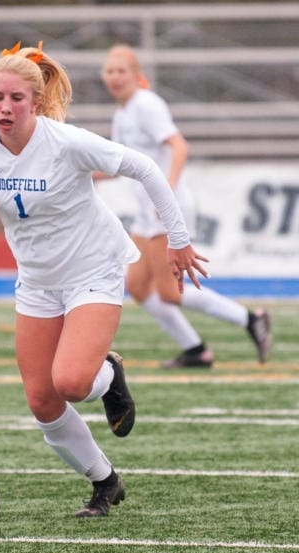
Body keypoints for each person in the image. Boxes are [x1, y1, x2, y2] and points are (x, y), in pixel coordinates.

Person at [0, 41, 209, 517]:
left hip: (91, 268)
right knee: (41, 401)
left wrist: (178, 239)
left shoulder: (65, 141)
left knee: (72, 382)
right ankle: (105, 482)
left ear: (35, 102)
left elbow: (146, 166)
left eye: (15, 98)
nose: (5, 107)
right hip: (36, 282)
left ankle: (109, 372)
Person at [99, 44, 272, 368]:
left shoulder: (146, 105)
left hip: (164, 208)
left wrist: (167, 192)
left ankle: (250, 319)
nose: (115, 77)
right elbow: (117, 166)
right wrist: (76, 173)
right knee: (136, 284)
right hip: (146, 212)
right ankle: (196, 349)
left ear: (137, 76)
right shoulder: (123, 113)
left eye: (121, 71)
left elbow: (179, 147)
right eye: (109, 71)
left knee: (169, 292)